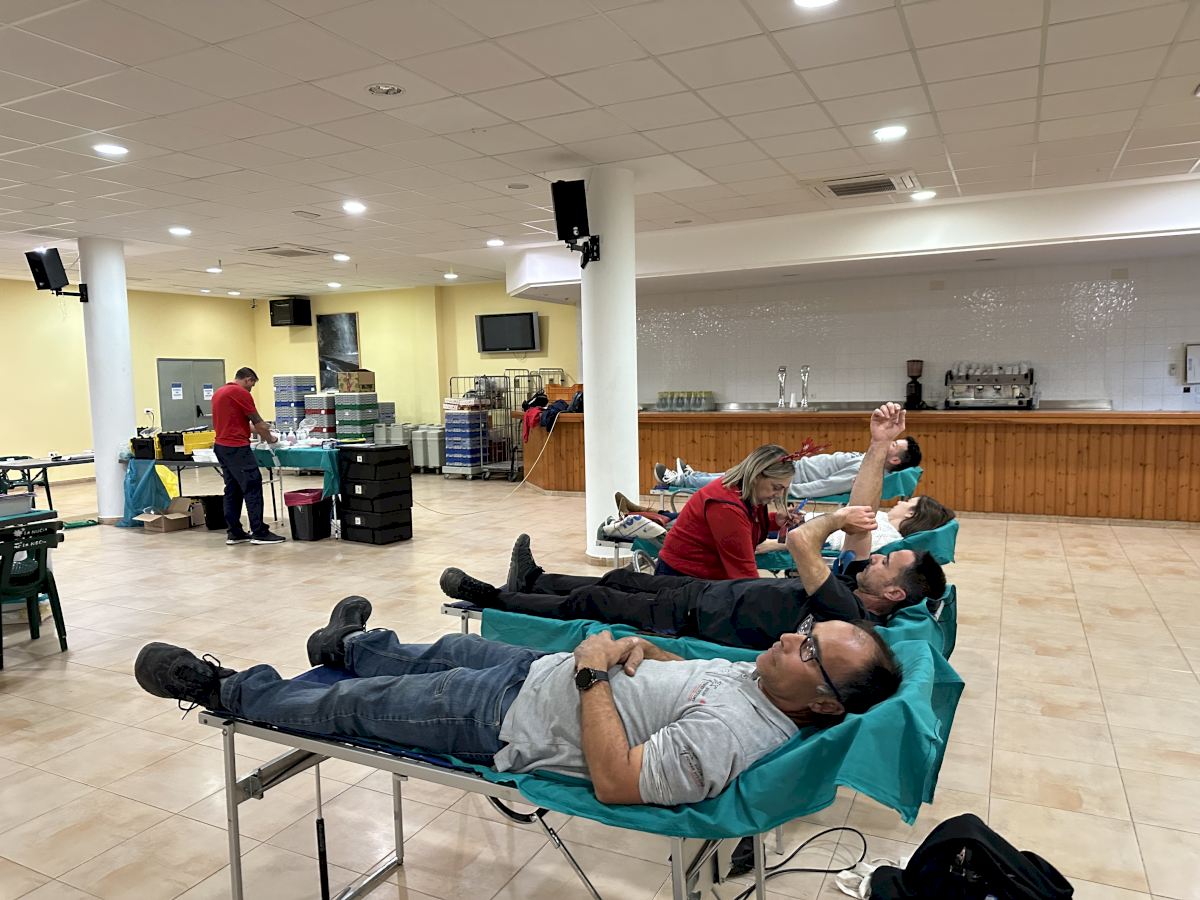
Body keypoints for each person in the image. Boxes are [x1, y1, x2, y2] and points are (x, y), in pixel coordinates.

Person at [133, 597, 901, 807]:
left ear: (827, 706)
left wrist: (594, 676)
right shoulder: (761, 686)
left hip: (506, 719)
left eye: (810, 652)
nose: (791, 640)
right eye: (807, 632)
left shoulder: (736, 732)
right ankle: (348, 644)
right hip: (540, 674)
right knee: (439, 646)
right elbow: (682, 678)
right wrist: (642, 650)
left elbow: (619, 781)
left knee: (362, 705)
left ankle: (224, 687)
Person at [441, 404, 947, 650]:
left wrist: (828, 520)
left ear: (893, 594)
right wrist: (878, 446)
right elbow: (860, 519)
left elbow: (798, 541)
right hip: (696, 589)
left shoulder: (847, 610)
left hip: (693, 615)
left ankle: (493, 599)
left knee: (591, 601)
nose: (877, 556)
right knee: (614, 579)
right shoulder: (854, 582)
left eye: (886, 561)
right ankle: (534, 579)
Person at [654, 444, 804, 580]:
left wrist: (773, 520)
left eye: (784, 489)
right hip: (682, 579)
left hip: (699, 576)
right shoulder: (725, 506)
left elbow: (745, 521)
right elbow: (744, 575)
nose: (779, 495)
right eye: (776, 487)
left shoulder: (746, 491)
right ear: (756, 476)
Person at [655, 435, 922, 498]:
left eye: (893, 444)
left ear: (895, 460)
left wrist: (788, 491)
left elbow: (827, 486)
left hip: (791, 478)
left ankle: (680, 481)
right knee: (738, 472)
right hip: (792, 470)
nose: (887, 442)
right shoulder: (868, 463)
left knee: (739, 478)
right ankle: (692, 477)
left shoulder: (866, 473)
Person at [211, 367, 286, 545]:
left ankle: (234, 532)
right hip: (237, 448)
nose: (251, 389)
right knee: (252, 486)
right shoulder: (240, 393)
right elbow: (258, 423)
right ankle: (259, 531)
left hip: (221, 446)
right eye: (252, 385)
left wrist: (264, 430)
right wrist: (272, 439)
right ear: (248, 380)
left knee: (233, 489)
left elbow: (237, 423)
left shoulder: (220, 392)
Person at [757, 496, 956, 556]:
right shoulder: (881, 518)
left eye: (907, 502)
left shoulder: (884, 536)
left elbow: (824, 542)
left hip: (795, 535)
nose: (900, 501)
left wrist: (774, 545)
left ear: (910, 513)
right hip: (797, 525)